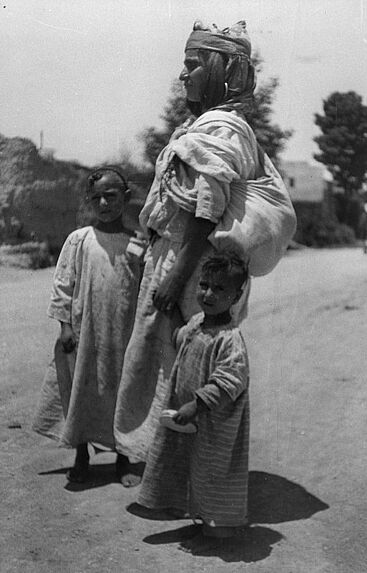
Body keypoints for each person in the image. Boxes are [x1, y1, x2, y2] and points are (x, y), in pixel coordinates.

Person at [114, 20, 261, 460]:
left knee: (194, 365)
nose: (183, 75)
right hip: (174, 256)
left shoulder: (223, 129)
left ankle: (200, 477)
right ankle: (164, 468)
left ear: (220, 72)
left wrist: (178, 277)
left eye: (193, 66)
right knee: (163, 365)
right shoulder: (198, 125)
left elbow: (206, 209)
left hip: (195, 265)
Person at [33, 167, 144, 485]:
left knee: (121, 392)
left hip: (122, 333)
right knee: (81, 390)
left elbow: (141, 286)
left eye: (111, 196)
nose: (104, 203)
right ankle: (81, 455)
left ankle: (123, 458)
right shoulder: (79, 240)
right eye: (97, 198)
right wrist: (65, 326)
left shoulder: (135, 243)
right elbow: (63, 284)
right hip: (84, 332)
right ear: (88, 202)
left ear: (125, 197)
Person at [137, 253, 250, 546]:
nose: (208, 294)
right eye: (204, 285)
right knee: (190, 466)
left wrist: (197, 404)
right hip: (191, 420)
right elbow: (179, 337)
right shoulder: (198, 323)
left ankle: (219, 528)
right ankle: (198, 517)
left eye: (220, 289)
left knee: (214, 472)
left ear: (236, 296)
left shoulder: (230, 340)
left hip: (214, 424)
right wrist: (171, 309)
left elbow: (229, 382)